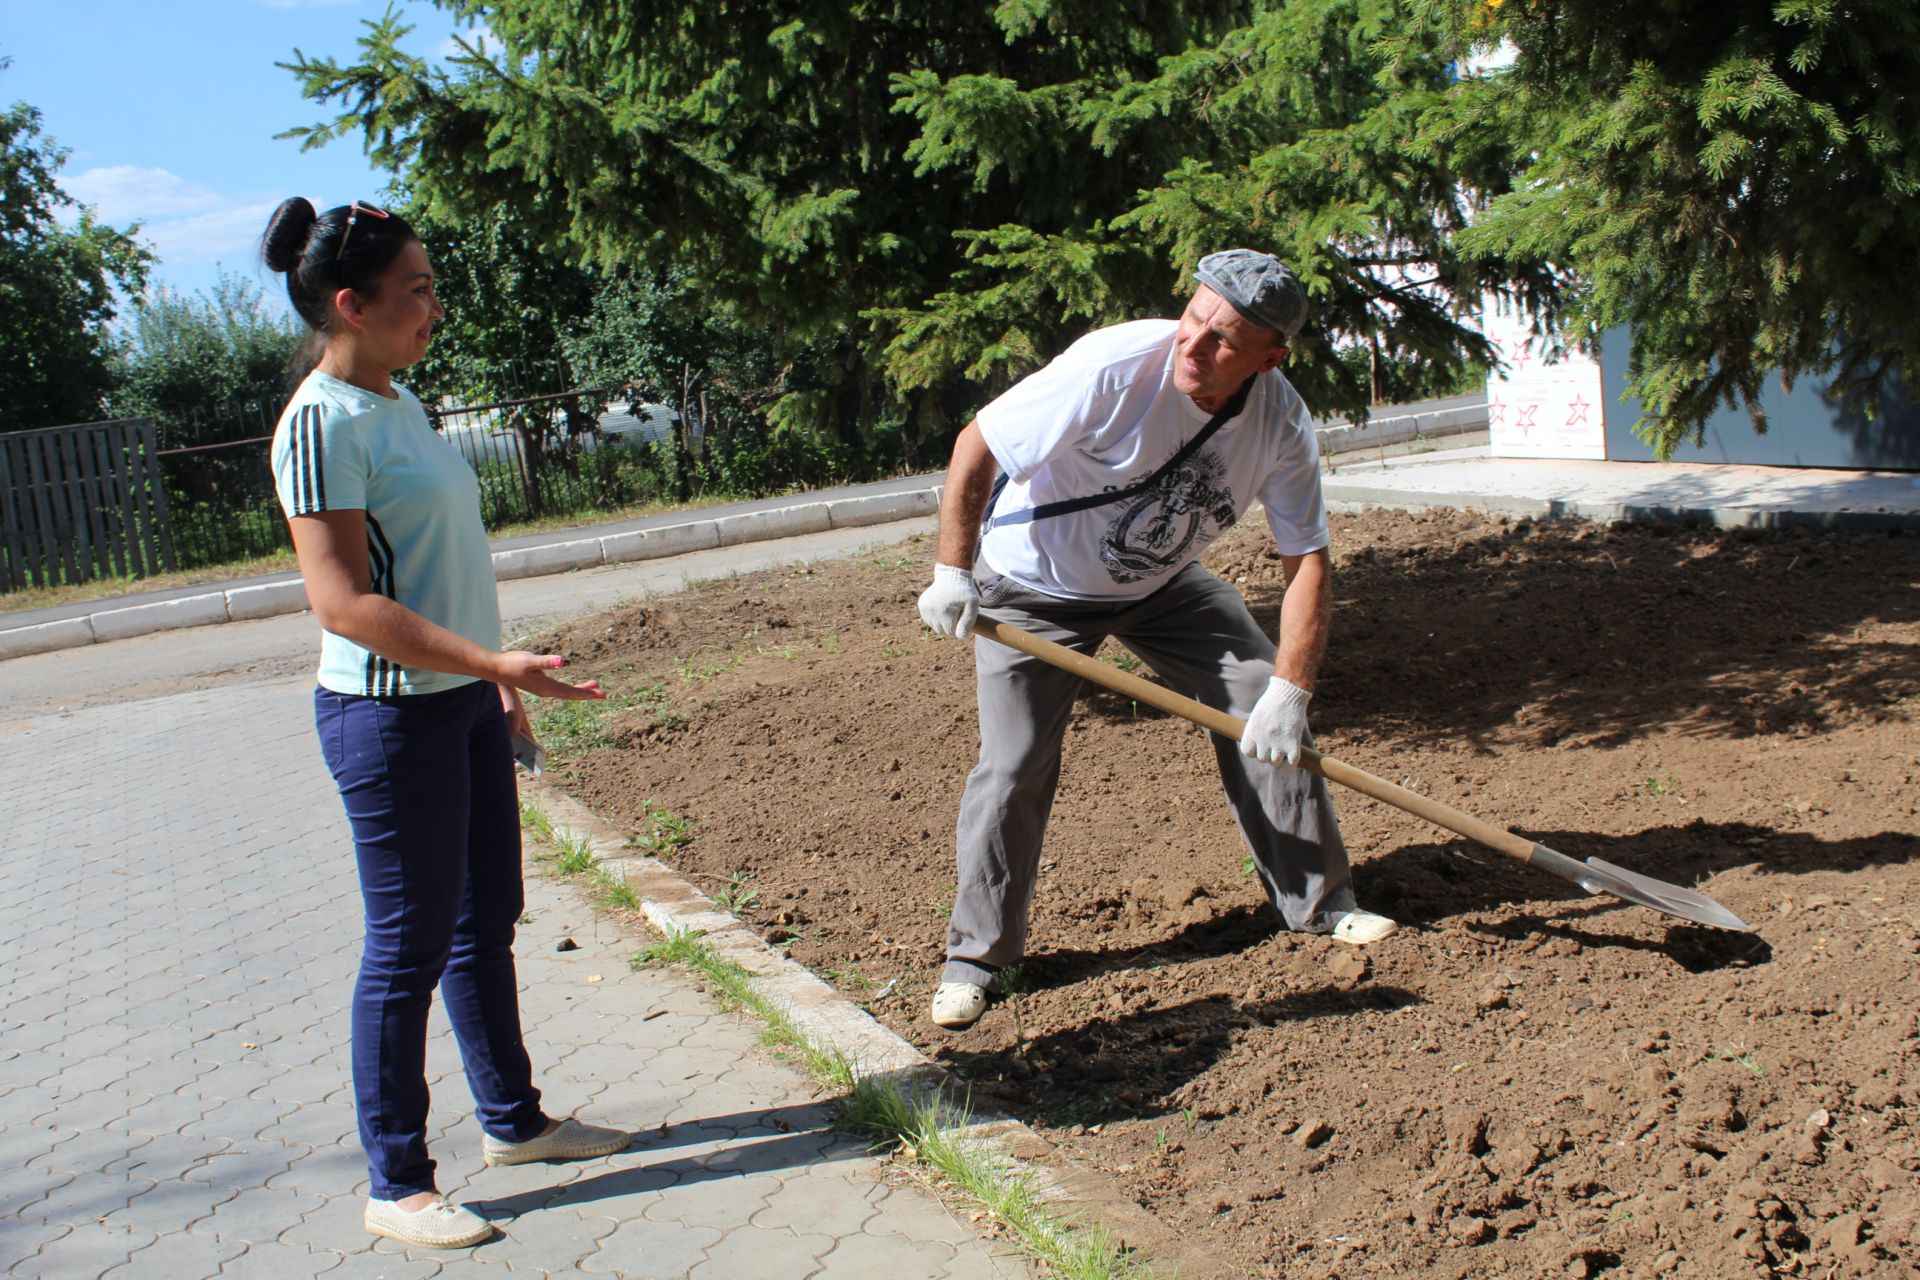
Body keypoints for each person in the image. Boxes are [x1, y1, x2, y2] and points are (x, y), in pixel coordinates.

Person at [262, 197, 628, 1249]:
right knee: (407, 946)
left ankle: (513, 1123)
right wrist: (487, 663)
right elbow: (344, 602)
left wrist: (493, 680)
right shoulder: (321, 421)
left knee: (488, 915)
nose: (433, 304)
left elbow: (436, 565)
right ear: (350, 303)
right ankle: (397, 1178)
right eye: (415, 288)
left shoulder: (399, 402)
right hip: (387, 718)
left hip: (458, 701)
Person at [916, 249, 1397, 1032]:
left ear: (1270, 359)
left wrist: (1291, 689)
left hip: (1161, 586)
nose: (1195, 346)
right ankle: (978, 958)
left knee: (1259, 704)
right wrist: (952, 571)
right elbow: (979, 443)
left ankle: (1319, 903)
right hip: (1034, 588)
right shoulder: (1112, 366)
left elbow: (1307, 558)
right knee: (1013, 764)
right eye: (1194, 319)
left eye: (1223, 341)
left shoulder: (1280, 423)